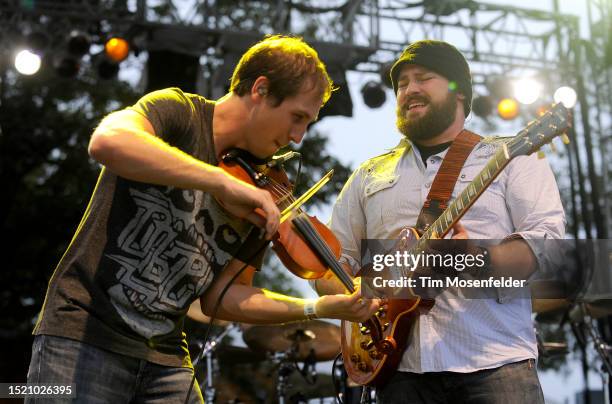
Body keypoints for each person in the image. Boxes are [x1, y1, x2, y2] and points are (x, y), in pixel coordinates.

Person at [27, 35, 380, 403]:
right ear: (260, 89)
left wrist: (316, 307)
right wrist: (219, 183)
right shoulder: (179, 113)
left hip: (165, 356)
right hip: (81, 336)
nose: (297, 137)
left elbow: (222, 298)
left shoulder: (264, 187)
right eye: (297, 117)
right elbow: (107, 142)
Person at [313, 40, 565, 403]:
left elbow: (548, 251)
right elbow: (331, 269)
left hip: (495, 366)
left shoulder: (513, 157)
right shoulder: (368, 175)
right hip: (397, 372)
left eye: (424, 78)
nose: (408, 89)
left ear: (458, 90)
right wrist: (358, 298)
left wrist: (474, 258)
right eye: (401, 84)